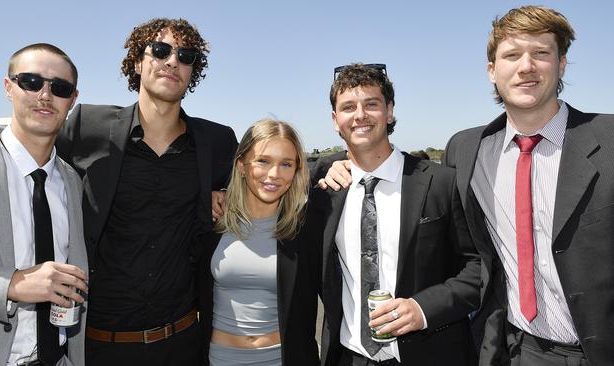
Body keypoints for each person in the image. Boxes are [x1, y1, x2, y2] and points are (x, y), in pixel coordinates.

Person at [56, 18, 238, 365]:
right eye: (160, 50)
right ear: (137, 61)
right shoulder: (85, 127)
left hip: (183, 344)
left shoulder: (217, 141)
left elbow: (269, 181)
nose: (173, 61)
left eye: (185, 55)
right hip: (97, 346)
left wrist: (343, 165)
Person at [443, 6, 614, 366]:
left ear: (562, 64)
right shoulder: (466, 150)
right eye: (512, 55)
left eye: (541, 53)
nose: (526, 67)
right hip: (521, 349)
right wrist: (343, 165)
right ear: (492, 71)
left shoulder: (610, 140)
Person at [310, 63, 480, 365]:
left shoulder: (442, 183)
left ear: (389, 111)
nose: (360, 115)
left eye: (371, 104)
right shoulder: (325, 193)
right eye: (348, 107)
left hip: (431, 354)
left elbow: (479, 268)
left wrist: (424, 308)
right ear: (336, 121)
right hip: (349, 357)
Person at [0, 43, 88, 366]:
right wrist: (12, 284)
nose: (45, 95)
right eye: (31, 82)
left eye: (59, 88)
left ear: (72, 101)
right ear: (8, 87)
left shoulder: (72, 182)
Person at [198, 119, 320, 365]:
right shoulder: (213, 222)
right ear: (242, 165)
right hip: (219, 358)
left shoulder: (305, 228)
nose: (274, 174)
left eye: (286, 164)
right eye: (263, 161)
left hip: (284, 358)